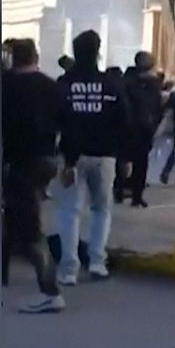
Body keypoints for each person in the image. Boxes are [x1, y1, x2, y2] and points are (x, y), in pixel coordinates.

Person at [56, 30, 132, 285]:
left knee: (70, 211)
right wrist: (125, 157)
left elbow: (55, 119)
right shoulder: (111, 84)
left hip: (71, 158)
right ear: (98, 52)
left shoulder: (65, 84)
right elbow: (124, 121)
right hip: (105, 155)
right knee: (101, 209)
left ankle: (69, 269)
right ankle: (97, 262)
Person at [2, 39, 66, 313]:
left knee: (28, 227)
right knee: (15, 214)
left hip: (19, 160)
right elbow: (65, 123)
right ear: (36, 57)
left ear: (13, 59)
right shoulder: (51, 85)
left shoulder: (7, 86)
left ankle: (50, 291)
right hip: (46, 159)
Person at [119, 51, 164, 207]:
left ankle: (125, 191)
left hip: (132, 126)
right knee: (139, 161)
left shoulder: (127, 81)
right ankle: (135, 194)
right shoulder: (152, 84)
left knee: (126, 159)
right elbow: (157, 106)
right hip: (141, 126)